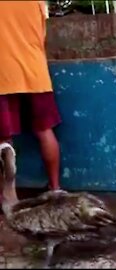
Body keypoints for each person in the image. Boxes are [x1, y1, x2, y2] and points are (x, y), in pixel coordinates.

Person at [0, 1, 61, 190]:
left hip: (3, 74)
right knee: (45, 131)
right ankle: (56, 189)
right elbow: (42, 35)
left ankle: (9, 198)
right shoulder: (37, 2)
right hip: (36, 71)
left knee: (3, 140)